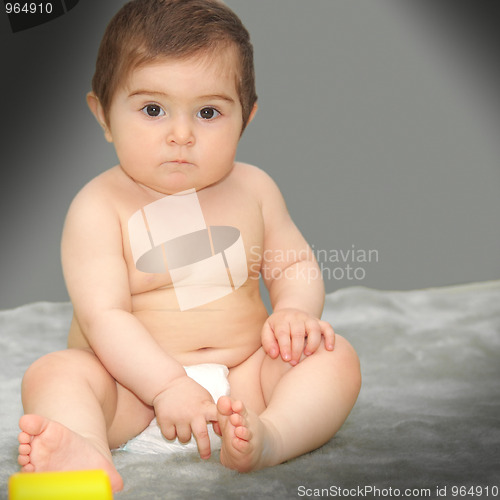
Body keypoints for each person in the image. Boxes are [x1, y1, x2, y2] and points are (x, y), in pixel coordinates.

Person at [17, 0, 361, 492]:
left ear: (247, 116)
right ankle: (86, 454)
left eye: (208, 112)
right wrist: (167, 386)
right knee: (55, 374)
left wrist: (296, 312)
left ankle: (272, 438)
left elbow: (293, 263)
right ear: (104, 114)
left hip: (243, 384)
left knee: (334, 356)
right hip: (132, 395)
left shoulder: (255, 189)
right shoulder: (98, 207)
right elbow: (104, 317)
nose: (182, 135)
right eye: (153, 110)